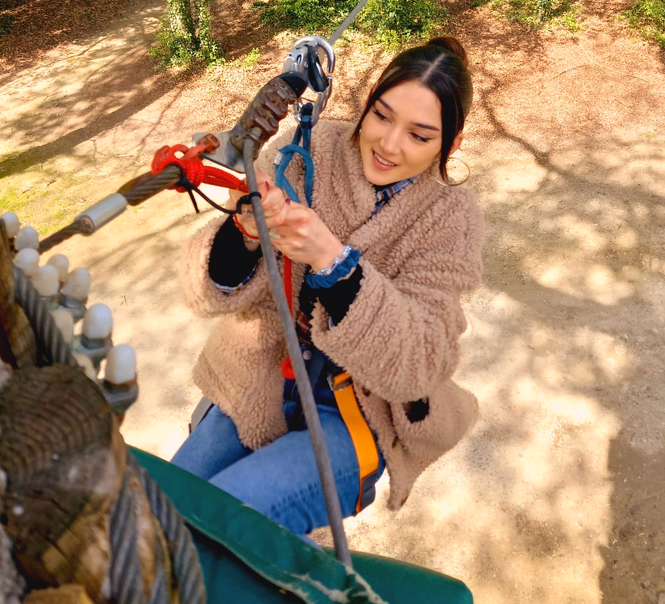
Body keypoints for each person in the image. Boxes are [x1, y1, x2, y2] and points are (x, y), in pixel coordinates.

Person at [172, 36, 484, 536]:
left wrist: (333, 262)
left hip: (358, 407)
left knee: (222, 525)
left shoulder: (451, 219)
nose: (388, 144)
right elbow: (210, 289)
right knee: (161, 509)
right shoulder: (307, 150)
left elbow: (422, 360)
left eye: (420, 136)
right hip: (260, 375)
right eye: (382, 116)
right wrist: (245, 234)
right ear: (367, 102)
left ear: (453, 142)